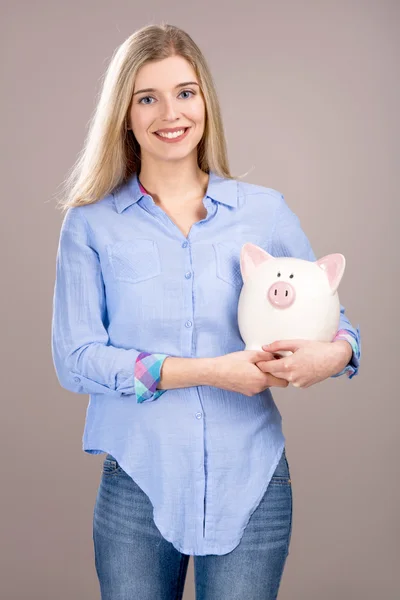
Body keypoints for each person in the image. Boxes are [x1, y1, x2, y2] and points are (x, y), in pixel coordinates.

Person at [51, 22, 361, 600]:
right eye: (148, 97)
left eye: (185, 93)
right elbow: (75, 359)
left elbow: (332, 317)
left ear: (205, 102)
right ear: (125, 112)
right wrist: (207, 371)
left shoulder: (264, 213)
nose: (171, 113)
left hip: (252, 481)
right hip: (138, 483)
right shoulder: (90, 225)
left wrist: (335, 354)